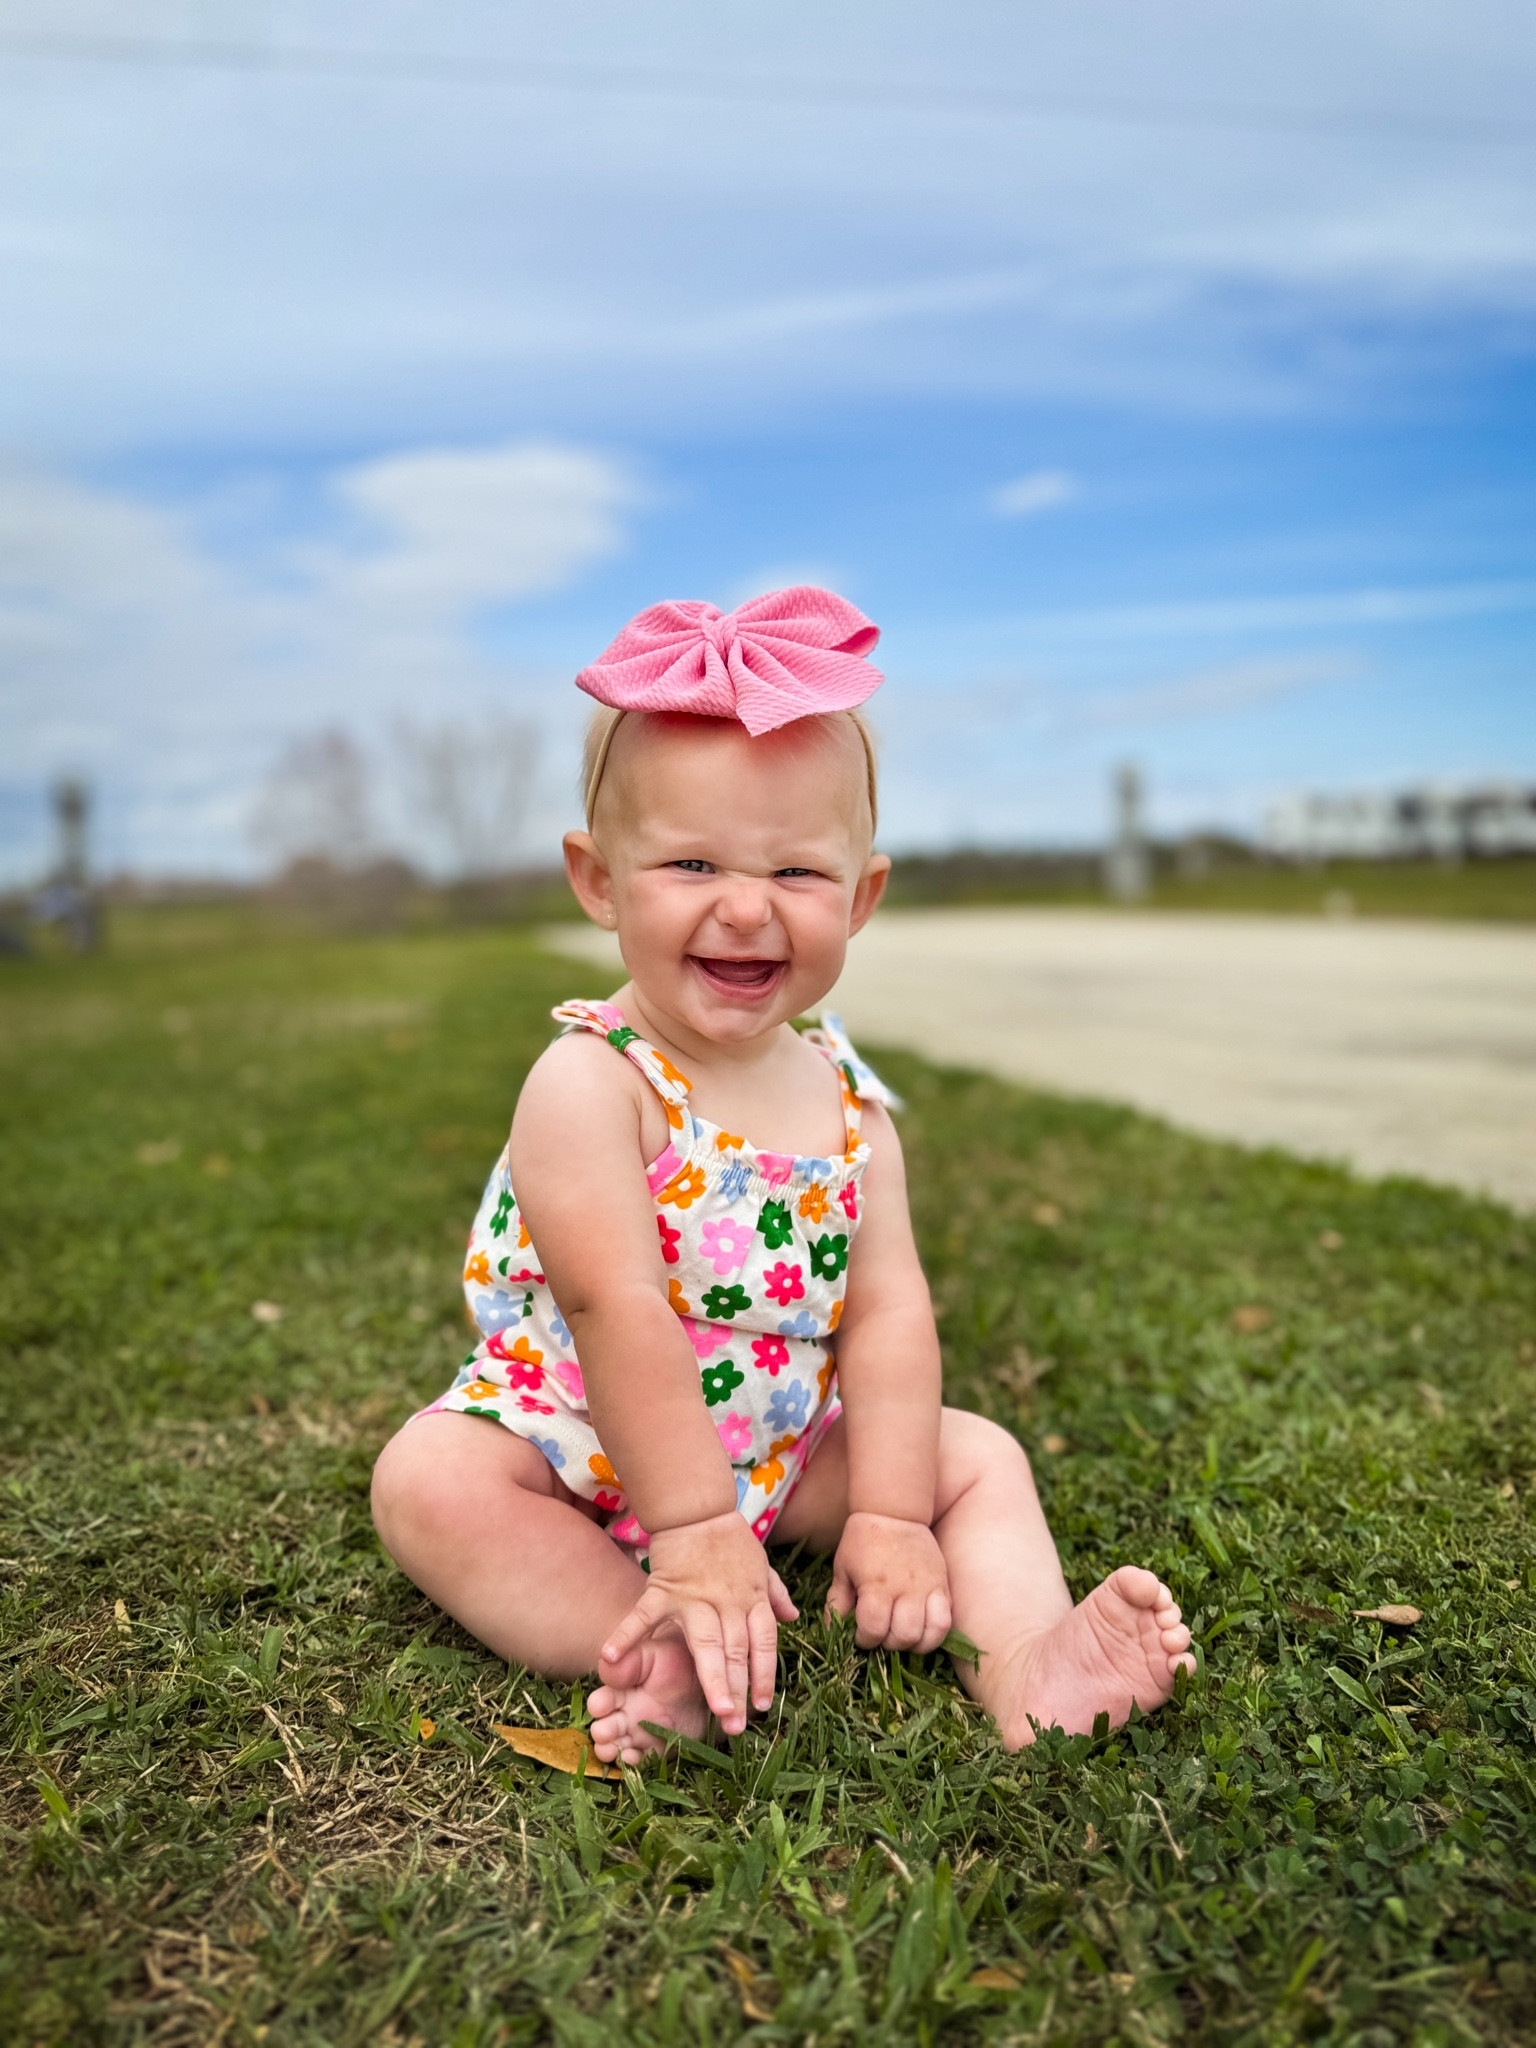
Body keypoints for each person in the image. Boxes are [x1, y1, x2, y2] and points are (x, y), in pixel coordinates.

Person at [371, 587, 1195, 1765]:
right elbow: (614, 1305)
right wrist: (696, 1530)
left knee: (981, 1457)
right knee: (431, 1480)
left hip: (781, 1440)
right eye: (692, 860)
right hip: (574, 1437)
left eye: (800, 873)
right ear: (599, 879)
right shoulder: (593, 1081)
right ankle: (651, 1638)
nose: (747, 907)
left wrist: (893, 1510)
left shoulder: (852, 1105)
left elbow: (891, 1311)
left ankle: (1025, 1659)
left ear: (860, 898)